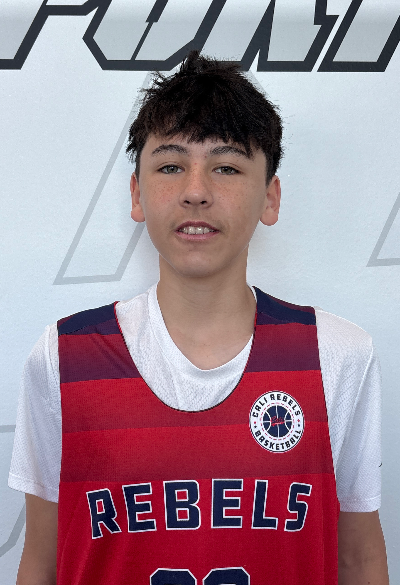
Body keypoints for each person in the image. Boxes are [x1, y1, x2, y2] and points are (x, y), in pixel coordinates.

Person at [9, 51, 388, 585]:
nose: (195, 191)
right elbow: (43, 561)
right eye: (171, 166)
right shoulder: (65, 356)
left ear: (270, 197)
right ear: (137, 194)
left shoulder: (337, 355)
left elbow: (358, 559)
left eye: (226, 167)